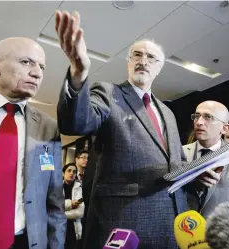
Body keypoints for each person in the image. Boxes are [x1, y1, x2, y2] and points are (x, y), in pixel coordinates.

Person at [54, 10, 187, 248]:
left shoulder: (167, 113)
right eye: (137, 54)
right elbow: (76, 122)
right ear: (128, 62)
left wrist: (197, 175)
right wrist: (78, 72)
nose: (143, 60)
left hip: (173, 222)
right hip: (124, 221)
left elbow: (176, 163)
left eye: (151, 58)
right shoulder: (109, 93)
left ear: (159, 68)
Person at [0, 37, 66, 249]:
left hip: (25, 242)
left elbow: (54, 201)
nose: (37, 73)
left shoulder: (48, 127)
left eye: (41, 67)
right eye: (27, 62)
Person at [63, 163, 84, 249]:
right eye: (69, 171)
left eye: (74, 172)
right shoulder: (56, 187)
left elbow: (80, 212)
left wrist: (60, 214)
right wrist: (70, 204)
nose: (72, 173)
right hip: (58, 226)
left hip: (73, 228)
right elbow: (53, 205)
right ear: (63, 173)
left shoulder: (80, 188)